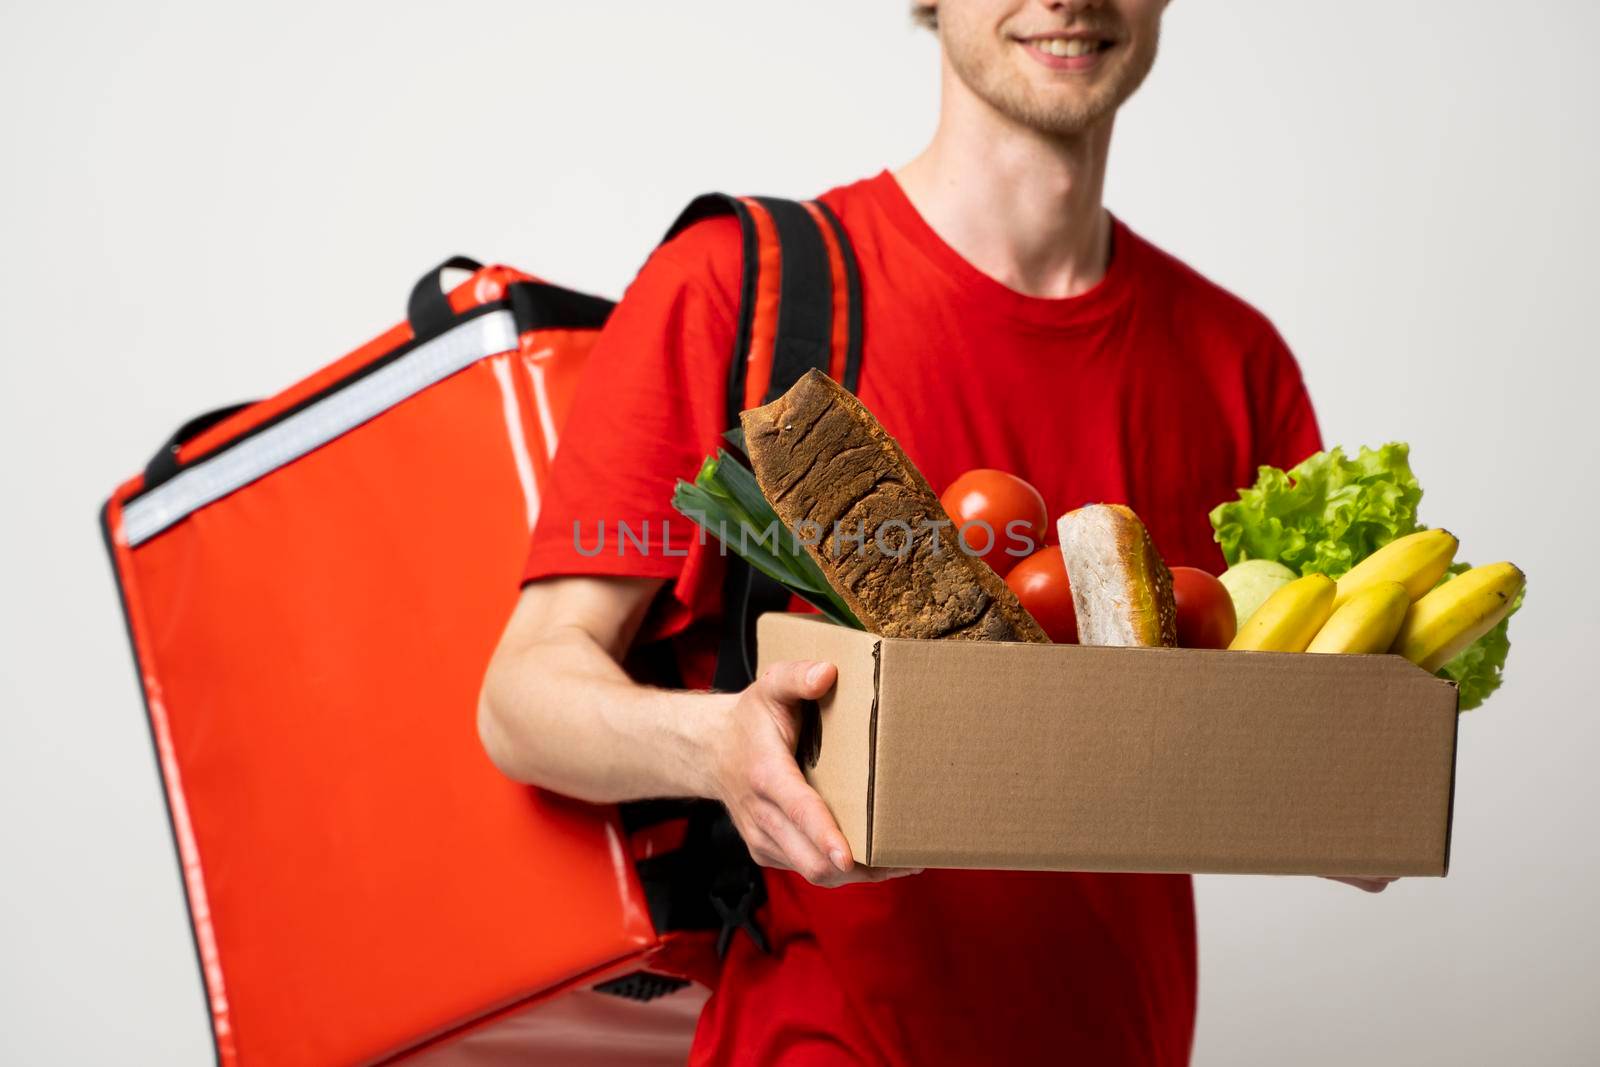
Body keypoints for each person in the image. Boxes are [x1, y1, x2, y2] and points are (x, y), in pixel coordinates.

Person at [480, 1, 1389, 1063]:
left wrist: (1358, 774)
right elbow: (523, 695)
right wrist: (719, 744)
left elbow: (1319, 767)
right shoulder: (737, 287)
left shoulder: (1237, 362)